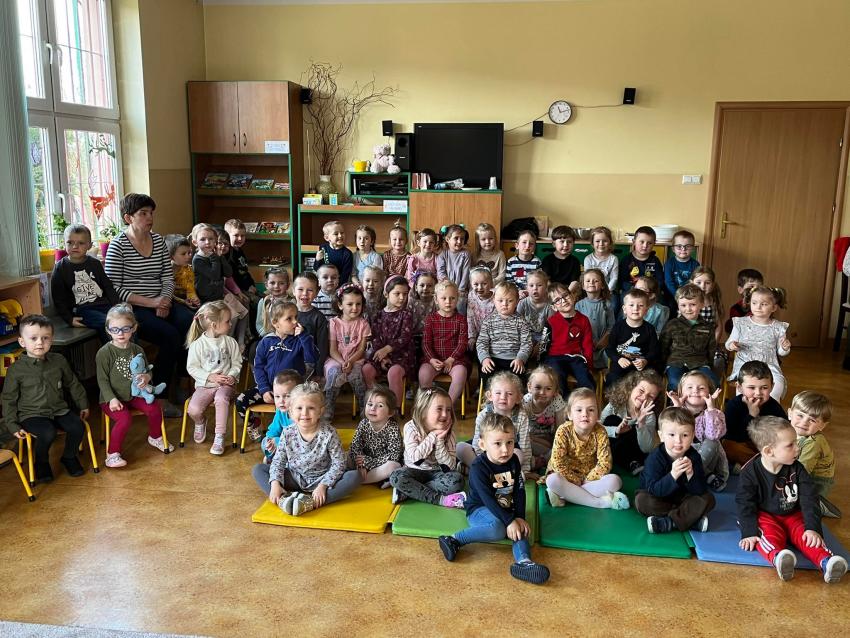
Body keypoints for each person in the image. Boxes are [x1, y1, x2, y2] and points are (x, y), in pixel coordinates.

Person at [104, 193, 194, 417]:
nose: (149, 218)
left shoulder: (158, 241)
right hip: (134, 308)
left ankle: (181, 381)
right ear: (128, 218)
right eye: (143, 213)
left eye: (151, 213)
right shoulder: (118, 245)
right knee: (170, 335)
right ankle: (160, 398)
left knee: (189, 322)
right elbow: (113, 288)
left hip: (161, 301)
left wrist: (164, 301)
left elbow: (167, 277)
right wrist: (152, 302)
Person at [438, 413, 551, 585]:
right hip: (479, 509)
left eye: (510, 442)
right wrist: (509, 521)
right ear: (483, 445)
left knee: (521, 529)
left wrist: (519, 517)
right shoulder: (478, 468)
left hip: (505, 508)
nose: (505, 449)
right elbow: (488, 499)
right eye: (498, 444)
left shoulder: (514, 461)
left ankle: (524, 562)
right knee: (498, 529)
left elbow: (519, 491)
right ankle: (454, 539)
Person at [736, 416, 847, 583]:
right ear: (769, 451)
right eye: (790, 445)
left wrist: (812, 528)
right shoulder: (749, 473)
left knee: (807, 536)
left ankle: (826, 562)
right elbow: (745, 503)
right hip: (765, 515)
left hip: (792, 514)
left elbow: (809, 498)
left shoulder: (797, 468)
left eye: (796, 442)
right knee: (767, 535)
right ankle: (779, 558)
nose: (798, 448)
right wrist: (749, 533)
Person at [251, 382, 361, 516]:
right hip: (295, 477)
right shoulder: (288, 433)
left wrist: (324, 485)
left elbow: (339, 463)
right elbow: (278, 461)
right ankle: (284, 501)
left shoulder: (329, 433)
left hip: (322, 478)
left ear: (320, 411)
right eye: (299, 408)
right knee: (258, 470)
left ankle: (310, 503)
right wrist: (275, 484)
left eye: (311, 408)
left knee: (354, 476)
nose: (304, 413)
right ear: (291, 412)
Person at [1, 314, 89, 481]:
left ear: (51, 339)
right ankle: (41, 463)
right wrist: (12, 424)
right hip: (31, 414)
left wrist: (83, 404)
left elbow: (72, 383)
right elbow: (8, 399)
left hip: (59, 409)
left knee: (77, 426)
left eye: (45, 338)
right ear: (22, 342)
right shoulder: (15, 370)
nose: (40, 343)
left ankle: (69, 457)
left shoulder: (59, 360)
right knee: (47, 433)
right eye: (33, 338)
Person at [96, 304, 172, 468]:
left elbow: (147, 371)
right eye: (115, 329)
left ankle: (155, 436)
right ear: (108, 330)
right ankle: (112, 454)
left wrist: (147, 376)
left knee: (154, 408)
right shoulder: (104, 353)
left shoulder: (137, 349)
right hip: (112, 398)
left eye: (125, 329)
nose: (120, 333)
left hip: (135, 394)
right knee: (125, 418)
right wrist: (111, 399)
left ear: (134, 328)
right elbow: (102, 380)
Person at [236, 300, 318, 440]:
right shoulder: (266, 342)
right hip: (269, 390)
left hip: (293, 392)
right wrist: (264, 389)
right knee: (240, 401)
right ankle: (253, 425)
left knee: (301, 407)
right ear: (275, 323)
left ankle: (294, 437)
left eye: (296, 317)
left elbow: (312, 358)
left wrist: (304, 336)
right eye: (289, 319)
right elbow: (258, 367)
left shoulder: (301, 340)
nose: (295, 322)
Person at [544, 388, 630, 510]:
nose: (585, 414)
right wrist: (575, 480)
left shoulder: (600, 432)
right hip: (566, 477)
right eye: (579, 410)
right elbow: (558, 462)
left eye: (591, 410)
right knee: (552, 481)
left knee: (615, 481)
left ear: (598, 415)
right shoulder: (563, 431)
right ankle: (599, 502)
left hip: (589, 478)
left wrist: (588, 479)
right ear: (569, 414)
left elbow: (605, 463)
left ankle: (567, 496)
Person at [635, 407, 716, 534]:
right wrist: (673, 475)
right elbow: (654, 490)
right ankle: (689, 520)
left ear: (692, 436)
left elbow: (700, 490)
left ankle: (668, 522)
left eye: (685, 435)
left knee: (708, 499)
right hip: (659, 498)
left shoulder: (694, 457)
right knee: (642, 501)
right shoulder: (655, 458)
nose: (678, 441)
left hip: (683, 498)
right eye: (672, 435)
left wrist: (690, 475)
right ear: (661, 436)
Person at [388, 387, 466, 507]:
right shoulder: (411, 427)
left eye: (448, 410)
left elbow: (448, 468)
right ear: (423, 411)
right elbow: (416, 460)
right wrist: (433, 436)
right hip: (413, 471)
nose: (445, 414)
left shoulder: (449, 433)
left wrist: (440, 441)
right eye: (439, 409)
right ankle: (440, 500)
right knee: (396, 477)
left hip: (437, 473)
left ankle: (410, 492)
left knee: (457, 480)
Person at [185, 301, 242, 455]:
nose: (231, 324)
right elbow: (192, 368)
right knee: (194, 409)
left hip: (225, 386)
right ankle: (200, 422)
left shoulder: (230, 342)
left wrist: (231, 376)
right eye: (227, 321)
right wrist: (209, 376)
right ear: (214, 325)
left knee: (221, 399)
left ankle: (219, 436)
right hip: (205, 386)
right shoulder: (197, 345)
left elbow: (237, 363)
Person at [50, 223, 120, 334]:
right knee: (108, 324)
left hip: (104, 305)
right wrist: (69, 319)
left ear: (89, 245)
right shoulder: (60, 268)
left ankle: (129, 346)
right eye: (70, 242)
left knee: (125, 321)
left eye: (81, 243)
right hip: (82, 310)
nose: (75, 246)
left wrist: (118, 306)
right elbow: (58, 299)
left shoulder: (95, 264)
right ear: (64, 244)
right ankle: (114, 345)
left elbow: (108, 287)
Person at [457, 371, 532, 474]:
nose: (503, 397)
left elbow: (525, 445)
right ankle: (484, 471)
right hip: (486, 452)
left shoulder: (521, 416)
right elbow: (477, 445)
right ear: (490, 395)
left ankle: (480, 471)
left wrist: (525, 469)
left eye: (509, 394)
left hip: (507, 452)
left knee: (519, 453)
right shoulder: (483, 415)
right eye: (498, 393)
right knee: (460, 447)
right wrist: (482, 462)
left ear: (518, 398)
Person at [666, 371, 729, 491]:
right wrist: (677, 408)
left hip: (707, 458)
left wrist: (710, 409)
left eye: (701, 388)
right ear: (681, 392)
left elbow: (713, 435)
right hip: (681, 457)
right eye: (690, 387)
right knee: (674, 443)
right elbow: (669, 433)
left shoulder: (716, 414)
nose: (695, 391)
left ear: (709, 393)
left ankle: (687, 476)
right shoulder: (673, 410)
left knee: (712, 442)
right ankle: (707, 476)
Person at [190, 222, 249, 350]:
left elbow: (228, 273)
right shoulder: (198, 260)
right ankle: (227, 345)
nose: (207, 242)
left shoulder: (215, 256)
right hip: (208, 300)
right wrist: (215, 257)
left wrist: (220, 257)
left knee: (243, 312)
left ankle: (240, 343)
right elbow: (215, 275)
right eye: (203, 239)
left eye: (211, 239)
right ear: (195, 242)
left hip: (219, 296)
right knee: (232, 317)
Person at [726, 285, 790, 400]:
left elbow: (781, 352)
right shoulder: (741, 323)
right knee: (745, 394)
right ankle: (745, 409)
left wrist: (785, 348)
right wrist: (732, 345)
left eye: (764, 304)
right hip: (745, 367)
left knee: (776, 388)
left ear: (774, 307)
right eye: (754, 303)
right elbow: (728, 343)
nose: (758, 307)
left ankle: (771, 409)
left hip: (769, 366)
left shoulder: (778, 327)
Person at [722, 361, 787, 469]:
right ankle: (761, 466)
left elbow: (784, 429)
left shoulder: (774, 406)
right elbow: (733, 436)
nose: (758, 393)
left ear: (772, 387)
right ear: (739, 387)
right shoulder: (733, 405)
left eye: (764, 388)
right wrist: (752, 415)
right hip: (742, 443)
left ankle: (753, 466)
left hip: (766, 446)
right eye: (751, 388)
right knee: (727, 445)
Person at [363, 276, 414, 408]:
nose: (402, 298)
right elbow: (375, 338)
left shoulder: (406, 314)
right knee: (367, 370)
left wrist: (387, 349)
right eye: (397, 294)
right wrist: (383, 357)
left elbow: (405, 337)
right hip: (380, 355)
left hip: (401, 356)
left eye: (405, 294)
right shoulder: (378, 315)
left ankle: (393, 409)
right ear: (386, 294)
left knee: (394, 373)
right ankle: (375, 403)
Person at [601, 369, 663, 475]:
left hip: (633, 452)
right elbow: (597, 430)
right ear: (631, 387)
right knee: (612, 419)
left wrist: (641, 422)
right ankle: (611, 458)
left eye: (650, 396)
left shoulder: (650, 416)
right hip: (611, 446)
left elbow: (646, 448)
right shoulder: (614, 404)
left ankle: (632, 463)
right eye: (641, 391)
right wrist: (616, 431)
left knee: (637, 430)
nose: (644, 397)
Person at [324, 284, 371, 422]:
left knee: (357, 375)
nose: (355, 308)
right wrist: (343, 362)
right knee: (334, 372)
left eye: (358, 304)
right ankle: (328, 408)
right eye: (350, 304)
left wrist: (350, 361)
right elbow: (332, 350)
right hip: (336, 359)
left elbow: (361, 349)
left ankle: (364, 409)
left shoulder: (363, 324)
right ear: (340, 305)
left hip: (356, 359)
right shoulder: (333, 323)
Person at [788, 391, 839, 517]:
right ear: (790, 413)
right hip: (799, 470)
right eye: (800, 415)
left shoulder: (813, 443)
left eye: (812, 420)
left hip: (816, 481)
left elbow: (802, 471)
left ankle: (817, 503)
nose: (804, 423)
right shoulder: (789, 431)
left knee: (788, 503)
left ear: (822, 426)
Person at [418, 279, 469, 403]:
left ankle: (448, 404)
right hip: (434, 359)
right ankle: (429, 404)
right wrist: (431, 359)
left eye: (452, 298)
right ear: (436, 299)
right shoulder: (430, 319)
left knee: (461, 373)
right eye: (444, 298)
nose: (448, 302)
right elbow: (426, 343)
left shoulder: (461, 319)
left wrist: (451, 360)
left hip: (454, 360)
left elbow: (462, 343)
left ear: (457, 299)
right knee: (424, 374)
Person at [660, 283, 718, 391]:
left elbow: (711, 350)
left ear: (702, 304)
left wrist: (710, 367)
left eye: (692, 304)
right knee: (676, 383)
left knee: (712, 382)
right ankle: (676, 401)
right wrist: (661, 367)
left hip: (700, 363)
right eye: (683, 305)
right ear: (678, 305)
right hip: (676, 363)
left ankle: (703, 402)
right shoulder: (672, 324)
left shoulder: (708, 327)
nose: (688, 309)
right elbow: (663, 347)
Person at [543, 283, 595, 397]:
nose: (563, 300)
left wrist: (589, 365)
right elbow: (544, 345)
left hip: (576, 357)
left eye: (565, 295)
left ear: (572, 295)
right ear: (554, 307)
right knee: (557, 378)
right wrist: (542, 364)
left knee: (586, 378)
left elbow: (587, 344)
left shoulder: (584, 320)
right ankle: (564, 403)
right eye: (557, 300)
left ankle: (585, 402)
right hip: (555, 358)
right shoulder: (551, 322)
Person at [477, 282, 532, 387]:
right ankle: (487, 395)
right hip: (493, 359)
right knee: (486, 374)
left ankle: (518, 396)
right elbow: (481, 342)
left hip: (514, 359)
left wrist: (521, 358)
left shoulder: (522, 322)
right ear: (494, 301)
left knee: (520, 379)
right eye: (500, 300)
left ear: (517, 302)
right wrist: (485, 358)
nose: (504, 304)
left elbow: (527, 343)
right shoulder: (488, 321)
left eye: (510, 301)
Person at [348, 386, 403, 486]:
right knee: (346, 455)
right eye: (370, 404)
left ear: (390, 412)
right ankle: (366, 477)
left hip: (381, 464)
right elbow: (355, 445)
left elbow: (394, 455)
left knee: (394, 466)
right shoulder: (363, 423)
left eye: (380, 406)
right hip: (364, 460)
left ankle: (359, 481)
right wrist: (361, 465)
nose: (373, 408)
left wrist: (370, 462)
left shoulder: (392, 428)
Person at [605, 288, 660, 387]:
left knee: (649, 381)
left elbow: (654, 351)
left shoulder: (650, 329)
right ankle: (613, 398)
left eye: (640, 305)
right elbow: (609, 349)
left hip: (641, 366)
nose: (635, 308)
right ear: (624, 309)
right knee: (613, 379)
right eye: (631, 305)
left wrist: (645, 360)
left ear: (646, 310)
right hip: (621, 364)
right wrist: (618, 359)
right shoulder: (618, 327)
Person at [522, 365, 567, 475]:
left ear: (555, 391)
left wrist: (554, 444)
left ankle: (540, 461)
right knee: (522, 446)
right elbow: (522, 433)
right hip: (530, 438)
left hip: (550, 439)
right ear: (529, 387)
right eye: (538, 387)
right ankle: (541, 461)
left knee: (564, 447)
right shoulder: (526, 402)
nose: (542, 392)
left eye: (548, 389)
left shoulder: (557, 400)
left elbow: (560, 429)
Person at [575, 268, 615, 371]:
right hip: (584, 345)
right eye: (588, 281)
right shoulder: (578, 305)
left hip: (602, 345)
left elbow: (611, 327)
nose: (591, 283)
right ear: (583, 286)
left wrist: (602, 342)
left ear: (602, 285)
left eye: (596, 280)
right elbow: (576, 327)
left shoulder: (607, 304)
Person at [292, 272, 329, 380]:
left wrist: (318, 372)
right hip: (287, 359)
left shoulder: (319, 318)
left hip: (308, 363)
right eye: (300, 289)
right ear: (293, 291)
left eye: (310, 290)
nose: (305, 294)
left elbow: (322, 347)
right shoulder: (286, 313)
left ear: (317, 293)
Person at [260, 370, 302, 463]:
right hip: (283, 446)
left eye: (287, 396)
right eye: (277, 396)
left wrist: (278, 441)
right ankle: (274, 458)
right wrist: (270, 441)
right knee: (264, 442)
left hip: (298, 450)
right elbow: (273, 431)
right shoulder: (280, 412)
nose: (281, 401)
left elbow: (300, 442)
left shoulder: (303, 415)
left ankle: (277, 460)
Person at [517, 270, 554, 362]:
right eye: (531, 285)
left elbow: (551, 328)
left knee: (545, 349)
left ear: (546, 287)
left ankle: (541, 363)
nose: (535, 288)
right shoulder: (522, 303)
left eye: (539, 285)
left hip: (544, 335)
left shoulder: (549, 305)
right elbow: (518, 325)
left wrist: (541, 343)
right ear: (526, 287)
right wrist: (528, 341)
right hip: (527, 334)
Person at [619, 225, 663, 298]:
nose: (645, 246)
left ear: (654, 244)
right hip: (632, 291)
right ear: (634, 242)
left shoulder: (655, 261)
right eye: (642, 242)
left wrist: (651, 291)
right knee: (624, 298)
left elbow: (660, 281)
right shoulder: (626, 260)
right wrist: (634, 289)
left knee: (662, 300)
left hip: (649, 292)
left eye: (649, 243)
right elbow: (622, 281)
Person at [436, 224, 471, 313]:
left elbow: (466, 274)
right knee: (444, 307)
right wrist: (450, 289)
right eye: (456, 238)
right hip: (445, 289)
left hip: (461, 290)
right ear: (447, 239)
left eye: (462, 239)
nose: (459, 241)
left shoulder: (465, 254)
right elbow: (441, 274)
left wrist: (460, 290)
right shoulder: (442, 255)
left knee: (460, 305)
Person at [541, 225, 581, 294]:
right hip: (552, 292)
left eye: (569, 242)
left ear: (573, 243)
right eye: (562, 241)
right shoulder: (547, 260)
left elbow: (574, 281)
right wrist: (555, 294)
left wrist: (566, 294)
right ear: (554, 244)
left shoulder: (575, 261)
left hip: (569, 291)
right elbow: (547, 280)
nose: (565, 245)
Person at [663, 230, 700, 302]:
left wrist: (687, 297)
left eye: (687, 246)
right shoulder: (669, 263)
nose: (683, 249)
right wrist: (678, 297)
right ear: (673, 249)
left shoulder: (695, 264)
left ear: (693, 248)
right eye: (679, 246)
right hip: (672, 296)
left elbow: (695, 283)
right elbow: (669, 283)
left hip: (689, 297)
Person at [724, 268, 763, 335]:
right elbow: (736, 330)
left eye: (759, 287)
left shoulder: (764, 306)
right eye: (751, 286)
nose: (756, 291)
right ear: (740, 290)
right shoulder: (736, 309)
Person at [256, 266, 292, 337]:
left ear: (288, 285)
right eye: (272, 283)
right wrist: (267, 335)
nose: (276, 286)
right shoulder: (263, 301)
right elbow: (259, 324)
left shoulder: (292, 302)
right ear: (266, 285)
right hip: (268, 337)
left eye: (281, 283)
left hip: (288, 337)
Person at [165, 234, 199, 309]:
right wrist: (183, 301)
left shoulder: (188, 270)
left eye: (189, 252)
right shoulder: (165, 272)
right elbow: (167, 294)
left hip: (184, 299)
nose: (188, 256)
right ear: (171, 256)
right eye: (183, 254)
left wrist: (194, 299)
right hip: (170, 301)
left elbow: (190, 289)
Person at [314, 220, 353, 285]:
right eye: (336, 234)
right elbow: (317, 269)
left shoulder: (347, 254)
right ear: (327, 238)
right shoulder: (323, 248)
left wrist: (336, 287)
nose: (340, 236)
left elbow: (345, 275)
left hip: (338, 285)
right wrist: (317, 260)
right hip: (324, 284)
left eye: (342, 233)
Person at [505, 229, 541, 297]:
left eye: (531, 244)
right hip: (515, 292)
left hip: (531, 293)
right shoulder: (511, 262)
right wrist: (518, 291)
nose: (527, 246)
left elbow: (538, 281)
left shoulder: (537, 262)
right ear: (517, 246)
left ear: (534, 248)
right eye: (524, 242)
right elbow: (509, 281)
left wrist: (529, 291)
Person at [583, 226, 618, 294]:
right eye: (597, 241)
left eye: (605, 241)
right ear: (592, 243)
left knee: (614, 301)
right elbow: (587, 278)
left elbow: (614, 278)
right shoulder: (588, 259)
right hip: (592, 290)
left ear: (610, 243)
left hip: (609, 291)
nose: (601, 244)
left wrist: (607, 291)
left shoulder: (613, 259)